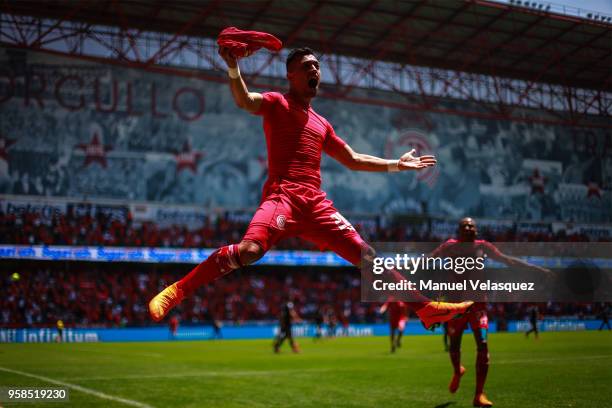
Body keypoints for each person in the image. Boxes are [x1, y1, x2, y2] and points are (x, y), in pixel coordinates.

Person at [148, 44, 473, 331]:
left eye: (317, 66)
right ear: (291, 75)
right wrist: (234, 67)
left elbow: (354, 159)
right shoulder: (277, 103)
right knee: (249, 252)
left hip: (316, 205)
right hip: (282, 197)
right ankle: (177, 291)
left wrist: (396, 165)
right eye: (307, 67)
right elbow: (245, 100)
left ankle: (425, 309)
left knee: (368, 256)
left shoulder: (321, 123)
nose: (315, 70)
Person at [431, 217, 550, 407]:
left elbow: (507, 260)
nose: (469, 228)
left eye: (472, 226)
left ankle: (479, 395)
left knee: (483, 344)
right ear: (459, 231)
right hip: (455, 307)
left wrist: (534, 268)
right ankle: (457, 371)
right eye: (465, 226)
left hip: (478, 306)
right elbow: (427, 261)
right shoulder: (449, 246)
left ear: (476, 230)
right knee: (454, 345)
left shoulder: (483, 246)